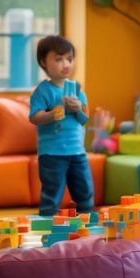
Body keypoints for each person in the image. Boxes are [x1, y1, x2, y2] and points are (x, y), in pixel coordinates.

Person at [29, 35, 94, 216]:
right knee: (51, 195)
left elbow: (85, 119)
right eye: (58, 59)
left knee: (85, 193)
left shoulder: (77, 89)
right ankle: (47, 227)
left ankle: (88, 225)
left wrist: (77, 108)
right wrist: (53, 114)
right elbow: (34, 117)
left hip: (77, 153)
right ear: (43, 62)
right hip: (51, 155)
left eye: (69, 59)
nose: (65, 64)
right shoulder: (43, 91)